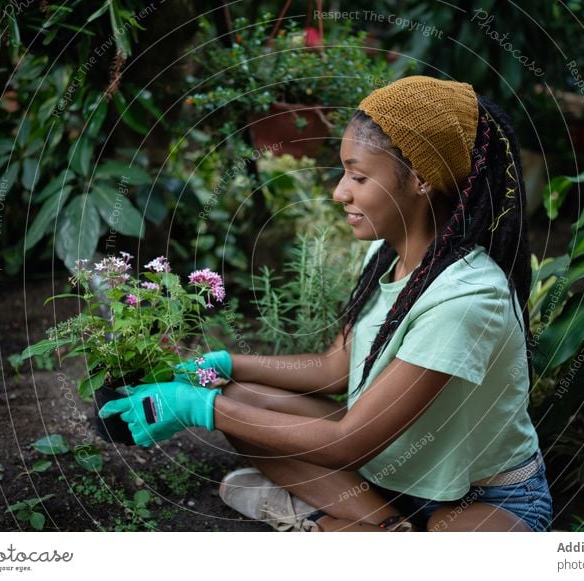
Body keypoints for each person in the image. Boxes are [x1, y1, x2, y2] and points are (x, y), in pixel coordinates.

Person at [99, 75, 553, 532]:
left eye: (358, 176)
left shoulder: (467, 299)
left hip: (483, 498)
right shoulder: (388, 255)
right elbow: (336, 367)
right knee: (235, 399)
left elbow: (348, 442)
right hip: (386, 476)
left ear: (419, 178)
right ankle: (378, 524)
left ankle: (328, 520)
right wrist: (217, 366)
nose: (340, 192)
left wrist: (197, 408)